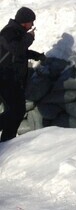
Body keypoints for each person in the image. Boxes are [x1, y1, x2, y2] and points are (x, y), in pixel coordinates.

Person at [0, 7, 45, 142]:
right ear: (25, 22)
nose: (32, 26)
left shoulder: (17, 33)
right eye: (31, 22)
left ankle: (6, 144)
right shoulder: (8, 32)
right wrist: (29, 38)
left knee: (16, 112)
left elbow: (20, 53)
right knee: (16, 111)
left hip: (13, 79)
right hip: (5, 77)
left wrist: (36, 55)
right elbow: (16, 49)